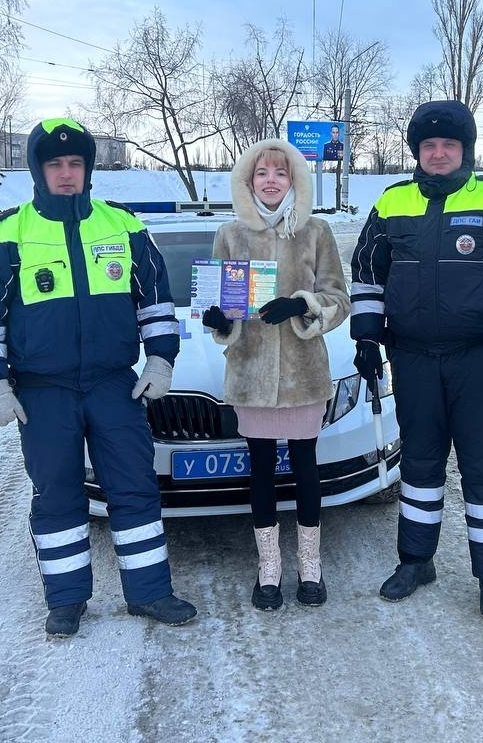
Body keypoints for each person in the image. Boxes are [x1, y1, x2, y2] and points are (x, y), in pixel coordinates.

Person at [0, 117, 197, 636]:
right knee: (58, 493)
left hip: (114, 384)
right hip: (42, 391)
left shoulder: (124, 227)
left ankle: (150, 591)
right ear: (37, 171)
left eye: (75, 164)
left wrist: (160, 358)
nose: (66, 173)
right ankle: (66, 600)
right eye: (55, 164)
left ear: (88, 169)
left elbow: (155, 301)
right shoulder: (3, 236)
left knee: (135, 486)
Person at [349, 99, 483, 619]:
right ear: (417, 151)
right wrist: (367, 338)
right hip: (412, 356)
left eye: (449, 145)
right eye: (429, 145)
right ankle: (416, 561)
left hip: (478, 357)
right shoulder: (392, 204)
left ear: (466, 149)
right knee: (418, 460)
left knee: (482, 465)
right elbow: (368, 275)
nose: (438, 154)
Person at [200, 138, 350, 610]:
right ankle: (269, 569)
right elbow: (222, 301)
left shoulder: (316, 232)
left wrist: (303, 306)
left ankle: (310, 566)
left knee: (306, 469)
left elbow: (338, 300)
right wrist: (221, 321)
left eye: (280, 173)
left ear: (294, 180)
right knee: (260, 470)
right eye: (261, 173)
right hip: (250, 373)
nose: (270, 180)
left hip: (303, 374)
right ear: (247, 181)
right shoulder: (229, 234)